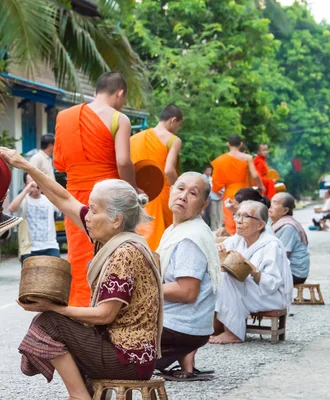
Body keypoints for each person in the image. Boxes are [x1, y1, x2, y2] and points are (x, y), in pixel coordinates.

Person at [0, 147, 162, 400]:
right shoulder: (112, 238)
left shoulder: (124, 252)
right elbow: (64, 199)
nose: (88, 216)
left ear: (116, 220)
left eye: (94, 210)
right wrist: (26, 166)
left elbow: (105, 314)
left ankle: (78, 396)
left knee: (50, 321)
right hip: (126, 353)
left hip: (127, 359)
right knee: (53, 321)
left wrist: (54, 308)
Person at [54, 71, 139, 307]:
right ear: (120, 93)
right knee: (111, 255)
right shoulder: (119, 119)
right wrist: (133, 191)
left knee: (80, 258)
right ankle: (109, 310)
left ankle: (80, 312)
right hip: (108, 200)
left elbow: (59, 162)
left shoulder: (65, 117)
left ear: (95, 92)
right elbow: (123, 161)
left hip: (75, 198)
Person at [155, 172, 220, 382]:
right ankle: (185, 356)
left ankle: (181, 348)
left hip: (180, 327)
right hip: (188, 326)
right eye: (180, 189)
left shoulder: (189, 238)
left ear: (203, 204)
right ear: (170, 191)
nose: (183, 196)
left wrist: (141, 289)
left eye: (193, 193)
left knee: (109, 341)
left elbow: (187, 292)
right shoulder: (178, 229)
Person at [210, 201, 293, 344]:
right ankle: (215, 328)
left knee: (225, 277)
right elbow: (217, 250)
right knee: (216, 275)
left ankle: (233, 333)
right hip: (250, 291)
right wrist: (218, 252)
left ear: (260, 225)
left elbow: (272, 284)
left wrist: (251, 268)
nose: (239, 221)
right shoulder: (237, 239)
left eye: (246, 216)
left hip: (270, 295)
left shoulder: (271, 245)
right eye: (238, 215)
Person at [130, 104, 183, 250]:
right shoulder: (173, 140)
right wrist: (181, 189)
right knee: (164, 243)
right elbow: (169, 171)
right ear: (173, 120)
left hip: (138, 196)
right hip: (162, 195)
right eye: (178, 125)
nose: (177, 129)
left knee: (141, 239)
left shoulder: (134, 139)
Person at [211, 134, 264, 235]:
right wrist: (261, 186)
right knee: (246, 217)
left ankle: (234, 242)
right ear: (241, 144)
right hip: (245, 193)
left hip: (230, 193)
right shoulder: (247, 157)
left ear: (228, 144)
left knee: (231, 220)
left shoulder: (221, 160)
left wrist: (217, 191)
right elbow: (255, 174)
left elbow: (215, 181)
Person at [9, 174, 60, 262]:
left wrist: (45, 186)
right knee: (29, 275)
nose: (35, 187)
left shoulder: (49, 199)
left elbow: (63, 201)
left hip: (50, 247)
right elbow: (12, 208)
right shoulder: (24, 200)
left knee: (55, 274)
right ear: (25, 185)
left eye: (37, 182)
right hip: (29, 248)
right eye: (31, 183)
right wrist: (26, 190)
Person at [270, 193, 310, 285]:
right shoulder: (274, 223)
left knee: (255, 278)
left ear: (285, 210)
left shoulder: (288, 227)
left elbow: (282, 256)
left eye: (275, 203)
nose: (270, 205)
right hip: (283, 269)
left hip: (294, 273)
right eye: (271, 201)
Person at [202, 165, 224, 231]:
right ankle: (213, 228)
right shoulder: (203, 178)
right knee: (212, 213)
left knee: (219, 213)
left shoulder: (212, 178)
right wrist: (219, 192)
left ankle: (219, 227)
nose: (209, 172)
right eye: (208, 170)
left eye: (210, 170)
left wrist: (222, 193)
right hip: (210, 198)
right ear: (205, 171)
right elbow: (211, 188)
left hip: (219, 198)